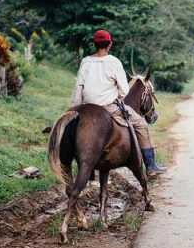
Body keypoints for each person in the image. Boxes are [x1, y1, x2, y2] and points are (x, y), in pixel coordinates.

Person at [71, 29, 166, 174]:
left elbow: (78, 88)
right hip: (108, 107)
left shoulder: (85, 62)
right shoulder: (114, 62)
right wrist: (117, 97)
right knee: (141, 124)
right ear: (109, 44)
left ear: (94, 44)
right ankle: (151, 166)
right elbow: (124, 91)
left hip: (86, 107)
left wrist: (75, 108)